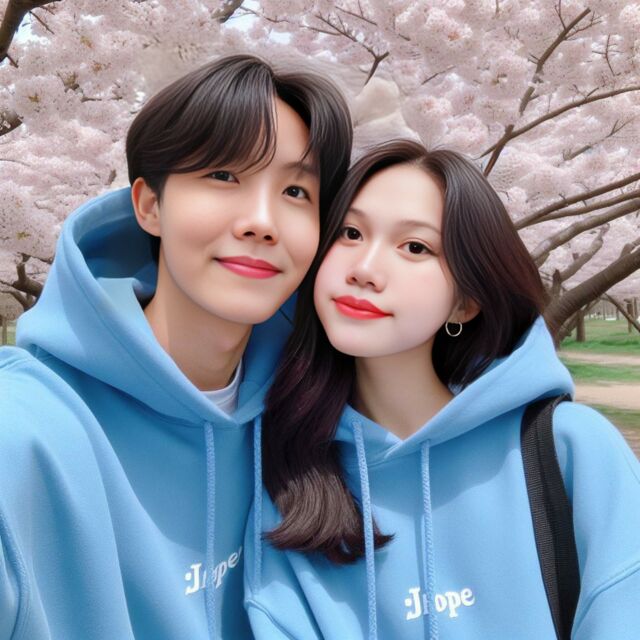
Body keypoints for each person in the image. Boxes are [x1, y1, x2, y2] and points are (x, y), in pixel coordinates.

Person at [0, 54, 352, 639]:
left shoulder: (314, 417)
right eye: (224, 176)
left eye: (295, 190)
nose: (262, 221)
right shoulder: (26, 429)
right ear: (149, 206)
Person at [244, 140, 640, 639]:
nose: (364, 269)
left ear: (464, 303)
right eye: (350, 233)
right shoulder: (289, 477)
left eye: (415, 247)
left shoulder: (569, 450)